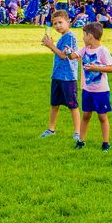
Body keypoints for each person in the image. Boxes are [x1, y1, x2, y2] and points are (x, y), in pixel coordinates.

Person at [74, 22, 112, 151]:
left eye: (84, 35)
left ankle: (105, 143)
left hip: (101, 91)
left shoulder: (103, 51)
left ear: (90, 36)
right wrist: (69, 52)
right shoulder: (85, 49)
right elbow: (74, 56)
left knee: (102, 117)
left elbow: (111, 68)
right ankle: (81, 141)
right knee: (86, 115)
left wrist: (95, 68)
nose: (82, 38)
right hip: (87, 90)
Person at [40, 10, 81, 140]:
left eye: (60, 22)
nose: (57, 26)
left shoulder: (70, 36)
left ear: (68, 22)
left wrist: (51, 45)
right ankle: (51, 129)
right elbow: (60, 54)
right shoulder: (63, 37)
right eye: (55, 23)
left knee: (72, 105)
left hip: (68, 77)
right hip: (57, 76)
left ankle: (77, 132)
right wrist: (51, 46)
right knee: (54, 104)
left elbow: (64, 56)